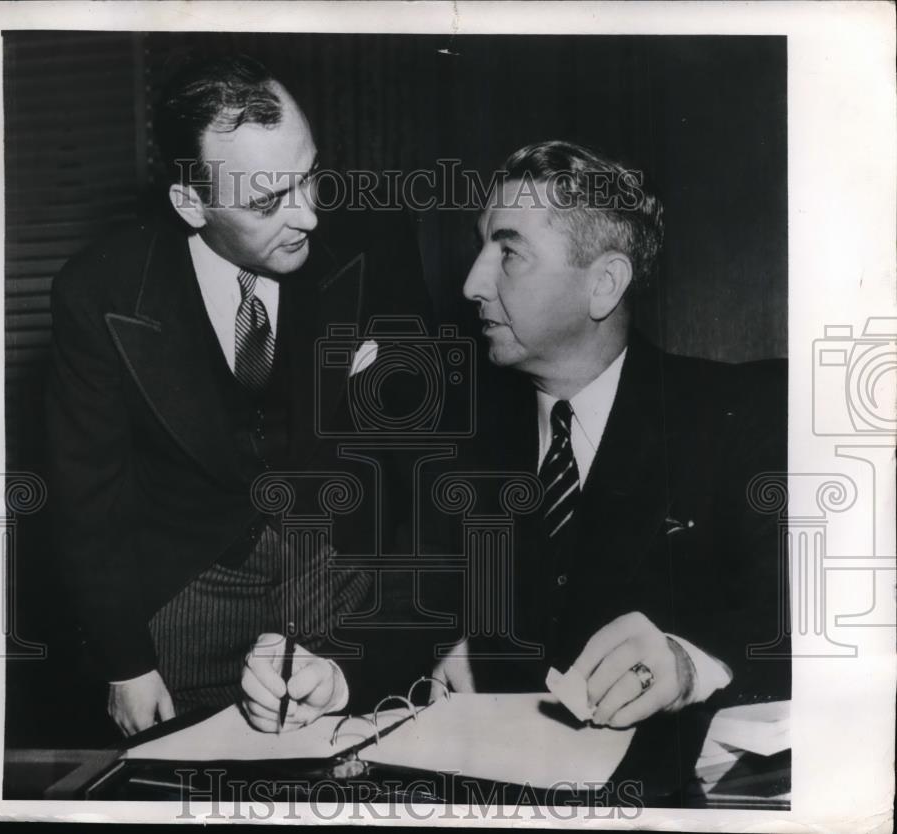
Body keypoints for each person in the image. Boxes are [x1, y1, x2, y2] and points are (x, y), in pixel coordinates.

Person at [46, 53, 436, 736]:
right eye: (266, 202)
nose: (309, 216)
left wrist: (446, 624)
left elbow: (427, 452)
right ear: (189, 203)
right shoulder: (99, 292)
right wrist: (125, 666)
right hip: (182, 599)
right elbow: (88, 495)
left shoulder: (378, 242)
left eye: (309, 176)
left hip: (340, 579)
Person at [434, 140, 789, 733]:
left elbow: (806, 628)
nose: (473, 283)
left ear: (604, 284)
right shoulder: (462, 443)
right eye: (481, 247)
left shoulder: (739, 416)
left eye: (510, 253)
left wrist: (690, 666)